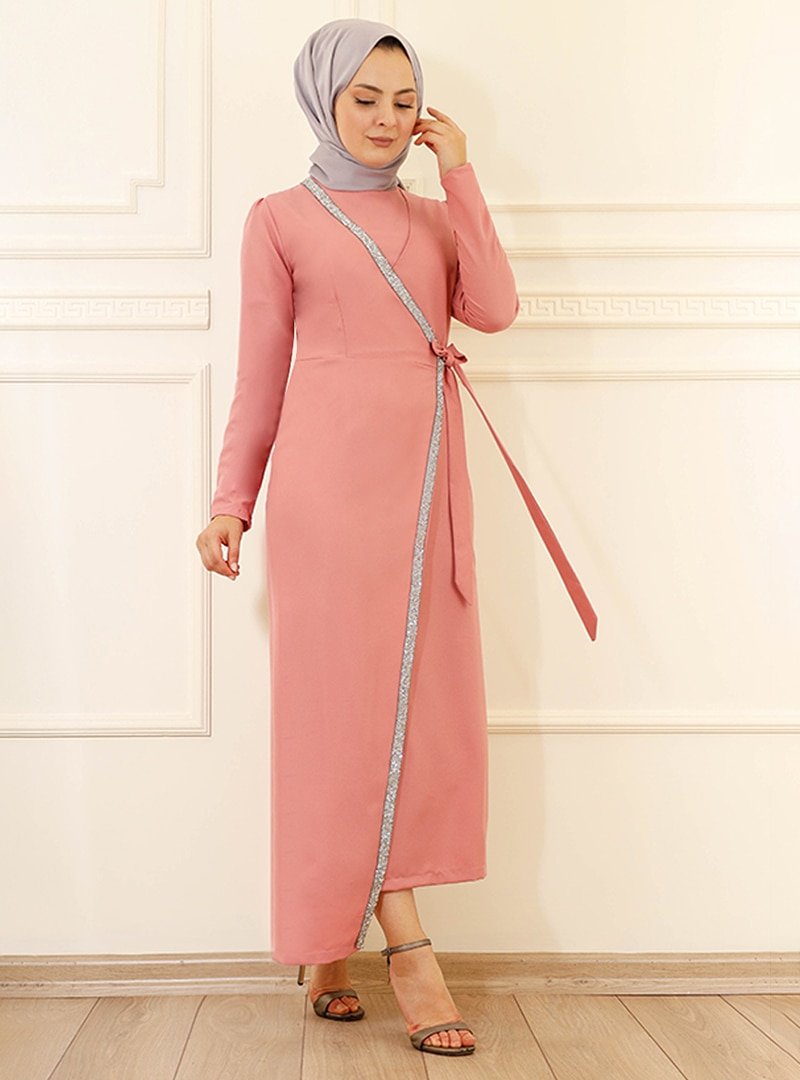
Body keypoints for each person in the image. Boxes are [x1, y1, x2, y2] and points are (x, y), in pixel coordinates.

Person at [196, 17, 595, 1059]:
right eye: (363, 98)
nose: (385, 118)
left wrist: (460, 173)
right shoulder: (279, 218)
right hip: (326, 498)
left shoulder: (431, 214)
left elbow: (494, 310)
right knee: (336, 720)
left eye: (403, 101)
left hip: (425, 491)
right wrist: (232, 499)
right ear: (322, 99)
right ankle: (405, 944)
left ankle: (327, 946)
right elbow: (261, 371)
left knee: (417, 720)